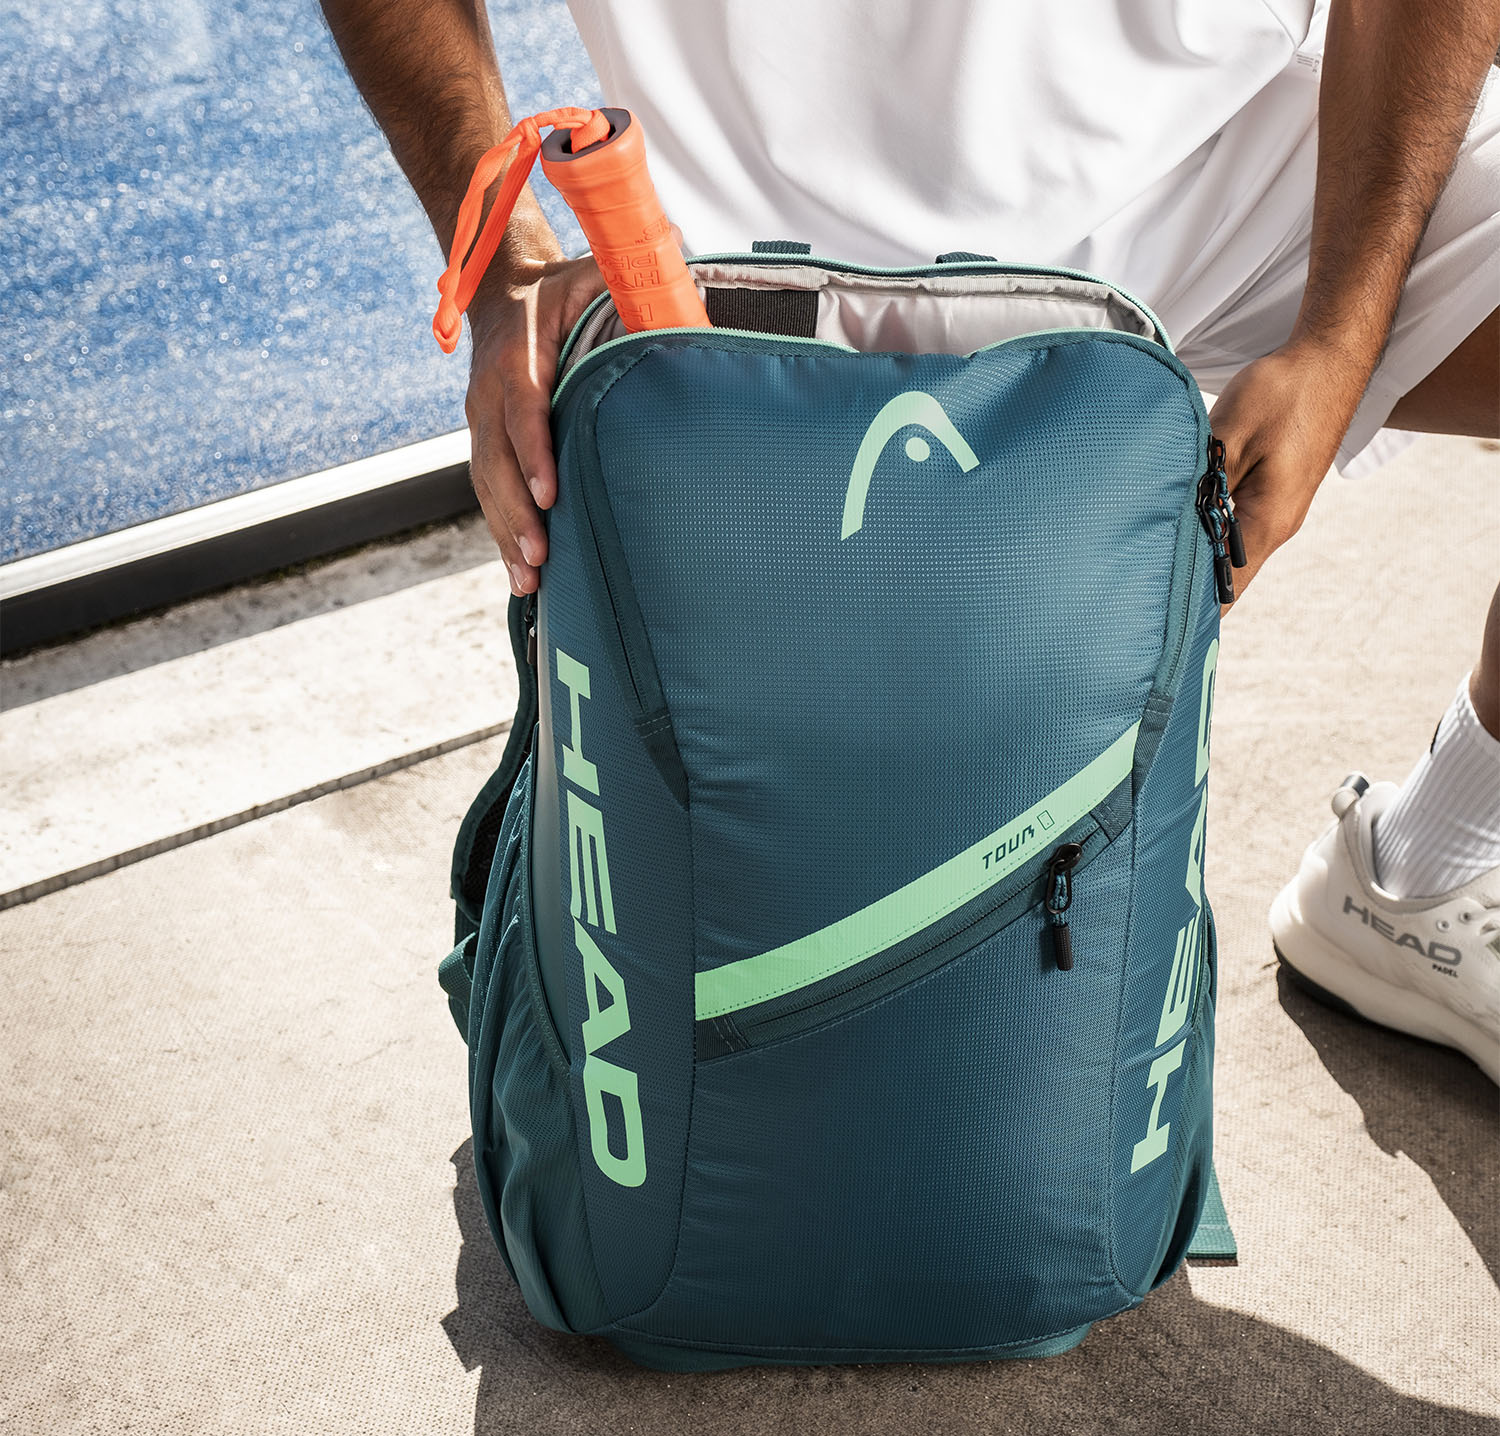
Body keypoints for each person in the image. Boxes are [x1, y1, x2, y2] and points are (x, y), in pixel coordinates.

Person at [317, 0, 1499, 1079]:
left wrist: (1340, 339)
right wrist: (503, 264)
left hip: (1226, 158)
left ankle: (1415, 879)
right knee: (787, 839)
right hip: (768, 243)